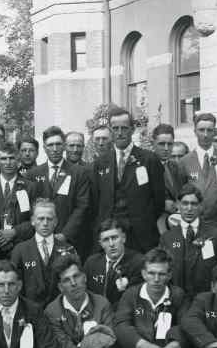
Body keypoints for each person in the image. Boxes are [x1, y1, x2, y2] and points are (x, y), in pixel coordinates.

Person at [93, 107, 165, 252]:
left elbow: (158, 200)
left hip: (141, 236)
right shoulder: (101, 162)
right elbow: (97, 199)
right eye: (115, 128)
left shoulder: (149, 159)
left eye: (124, 128)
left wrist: (143, 219)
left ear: (132, 130)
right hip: (111, 235)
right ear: (110, 130)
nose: (119, 133)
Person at [30, 126, 92, 258]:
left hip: (70, 239)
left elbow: (82, 207)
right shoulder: (33, 174)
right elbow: (30, 208)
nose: (54, 149)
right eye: (50, 145)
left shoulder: (79, 173)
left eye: (58, 144)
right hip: (40, 238)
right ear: (44, 148)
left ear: (64, 146)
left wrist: (65, 234)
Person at [161, 184, 217, 301]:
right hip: (177, 301)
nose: (189, 208)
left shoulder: (215, 234)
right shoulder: (167, 238)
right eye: (185, 203)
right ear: (178, 205)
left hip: (207, 299)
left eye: (194, 204)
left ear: (200, 206)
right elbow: (163, 272)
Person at [11, 200, 78, 306]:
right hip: (30, 313)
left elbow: (74, 285)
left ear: (55, 222)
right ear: (33, 221)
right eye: (41, 219)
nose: (45, 223)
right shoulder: (20, 250)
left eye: (49, 219)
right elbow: (14, 285)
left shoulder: (68, 249)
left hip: (60, 312)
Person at [83, 219, 144, 304]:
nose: (111, 244)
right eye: (106, 240)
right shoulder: (91, 263)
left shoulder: (138, 262)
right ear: (100, 244)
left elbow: (135, 301)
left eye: (114, 238)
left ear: (123, 238)